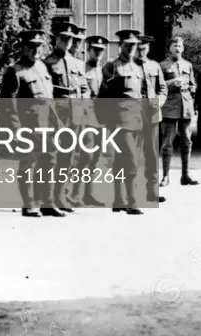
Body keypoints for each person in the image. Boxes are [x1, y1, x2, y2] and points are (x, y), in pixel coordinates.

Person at [0, 29, 64, 218]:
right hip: (28, 127)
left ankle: (47, 203)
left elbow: (48, 99)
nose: (36, 50)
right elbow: (7, 106)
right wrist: (15, 131)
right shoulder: (15, 71)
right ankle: (29, 204)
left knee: (49, 163)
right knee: (28, 164)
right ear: (23, 47)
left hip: (47, 125)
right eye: (31, 46)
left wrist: (57, 122)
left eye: (39, 46)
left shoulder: (42, 68)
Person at [98, 29, 145, 215]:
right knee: (132, 160)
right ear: (120, 46)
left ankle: (118, 199)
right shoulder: (112, 67)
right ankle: (132, 202)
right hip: (118, 121)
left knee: (120, 160)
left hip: (135, 120)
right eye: (127, 45)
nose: (131, 49)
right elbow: (103, 95)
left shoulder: (137, 68)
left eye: (134, 45)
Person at [44, 22, 90, 213]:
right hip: (56, 115)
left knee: (69, 158)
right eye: (63, 39)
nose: (66, 43)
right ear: (56, 40)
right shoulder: (47, 63)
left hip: (75, 114)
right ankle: (47, 199)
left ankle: (61, 196)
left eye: (69, 39)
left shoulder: (77, 63)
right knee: (52, 158)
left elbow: (84, 88)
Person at [70, 34, 109, 208]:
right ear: (89, 50)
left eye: (101, 50)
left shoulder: (106, 70)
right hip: (86, 117)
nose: (98, 53)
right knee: (84, 157)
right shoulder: (82, 69)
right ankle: (74, 194)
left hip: (102, 118)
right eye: (96, 50)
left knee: (95, 158)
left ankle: (88, 194)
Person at [160, 36, 199, 186]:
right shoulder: (162, 66)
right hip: (169, 107)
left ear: (183, 48)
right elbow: (159, 86)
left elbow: (193, 85)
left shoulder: (187, 65)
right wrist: (171, 83)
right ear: (170, 48)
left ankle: (185, 175)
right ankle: (165, 176)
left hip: (186, 106)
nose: (177, 48)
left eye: (180, 46)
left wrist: (190, 90)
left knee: (187, 141)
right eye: (175, 45)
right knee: (167, 143)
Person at [135, 34, 168, 203]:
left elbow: (162, 88)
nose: (141, 51)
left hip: (152, 115)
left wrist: (159, 102)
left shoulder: (154, 66)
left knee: (152, 154)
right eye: (138, 49)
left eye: (144, 48)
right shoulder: (128, 67)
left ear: (148, 49)